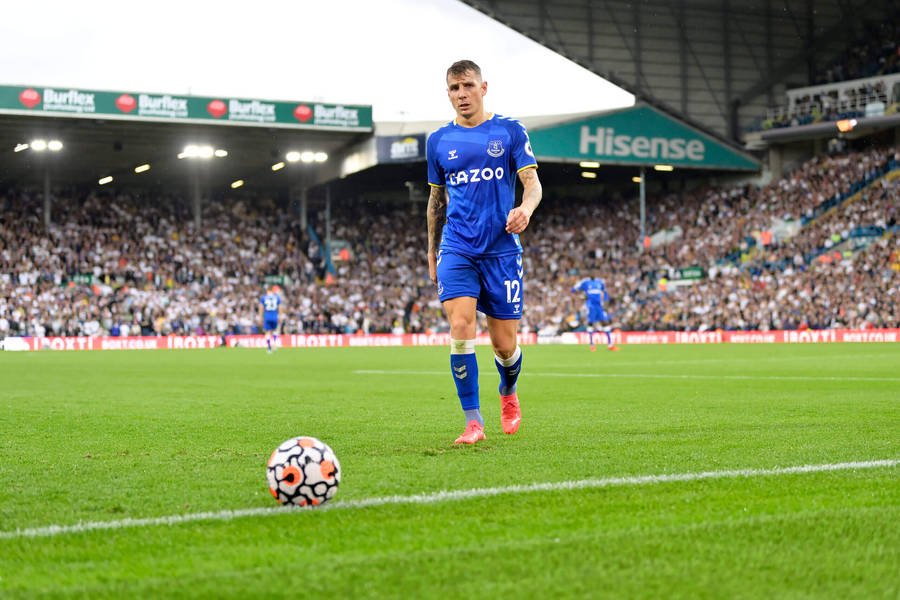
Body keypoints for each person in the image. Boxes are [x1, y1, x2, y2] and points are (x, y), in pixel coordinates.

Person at [426, 59, 543, 445]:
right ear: (448, 93)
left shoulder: (509, 131)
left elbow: (532, 184)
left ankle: (508, 391)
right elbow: (435, 201)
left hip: (501, 251)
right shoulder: (438, 141)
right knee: (461, 327)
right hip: (457, 247)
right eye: (454, 88)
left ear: (483, 87)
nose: (461, 94)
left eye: (467, 85)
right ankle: (473, 422)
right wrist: (431, 252)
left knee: (504, 346)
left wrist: (525, 209)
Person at [572, 276, 618, 351]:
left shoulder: (600, 282)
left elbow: (605, 292)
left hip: (599, 306)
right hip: (591, 306)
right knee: (591, 324)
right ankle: (592, 345)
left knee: (605, 323)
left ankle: (610, 345)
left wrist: (606, 302)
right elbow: (573, 290)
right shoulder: (585, 282)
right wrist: (581, 295)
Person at [259, 285, 282, 353]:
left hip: (267, 316)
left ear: (267, 290)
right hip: (274, 316)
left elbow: (261, 308)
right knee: (275, 330)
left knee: (268, 332)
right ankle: (274, 343)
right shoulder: (277, 297)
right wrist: (280, 316)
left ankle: (269, 348)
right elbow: (280, 307)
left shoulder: (263, 297)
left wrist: (260, 317)